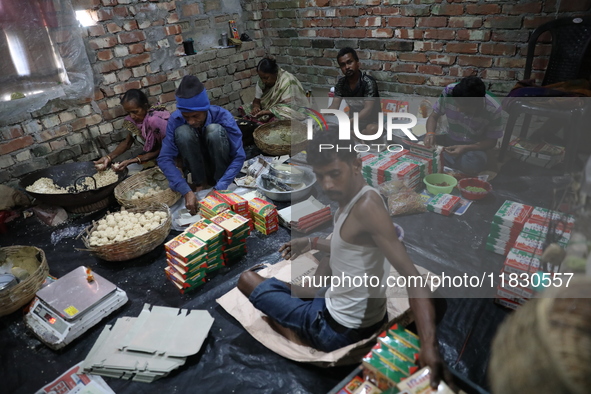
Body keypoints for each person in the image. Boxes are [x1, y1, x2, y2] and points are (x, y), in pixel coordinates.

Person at [237, 132, 450, 389]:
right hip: (341, 305)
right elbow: (345, 246)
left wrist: (429, 344)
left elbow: (413, 279)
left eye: (334, 174)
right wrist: (311, 242)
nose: (326, 185)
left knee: (247, 280)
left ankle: (300, 333)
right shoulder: (358, 196)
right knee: (313, 263)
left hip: (336, 331)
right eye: (320, 175)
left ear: (357, 164)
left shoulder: (368, 208)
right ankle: (311, 297)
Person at [158, 75, 245, 215]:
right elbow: (164, 158)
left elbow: (239, 156)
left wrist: (220, 187)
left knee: (214, 131)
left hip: (220, 167)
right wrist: (185, 190)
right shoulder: (176, 119)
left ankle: (219, 185)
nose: (191, 121)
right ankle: (200, 184)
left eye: (195, 116)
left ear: (205, 109)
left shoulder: (223, 116)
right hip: (196, 168)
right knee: (183, 132)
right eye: (186, 117)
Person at [424, 76, 503, 176]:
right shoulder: (449, 92)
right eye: (456, 105)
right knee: (417, 143)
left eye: (464, 108)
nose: (458, 110)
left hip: (473, 147)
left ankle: (441, 160)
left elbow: (491, 141)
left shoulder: (493, 108)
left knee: (472, 163)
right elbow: (433, 117)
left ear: (477, 104)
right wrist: (430, 133)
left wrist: (465, 148)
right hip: (449, 139)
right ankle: (444, 160)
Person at [94, 89, 169, 171]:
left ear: (145, 106)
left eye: (135, 112)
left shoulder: (155, 120)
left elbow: (166, 148)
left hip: (169, 156)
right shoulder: (134, 122)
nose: (132, 116)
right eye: (128, 113)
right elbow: (127, 142)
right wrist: (108, 157)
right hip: (151, 157)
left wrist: (134, 160)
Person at [328, 47, 381, 136]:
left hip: (371, 122)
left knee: (372, 130)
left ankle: (352, 134)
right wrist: (319, 116)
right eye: (343, 65)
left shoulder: (368, 82)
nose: (347, 67)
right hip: (353, 123)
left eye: (350, 62)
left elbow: (367, 109)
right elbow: (334, 106)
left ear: (357, 63)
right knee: (328, 127)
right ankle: (356, 135)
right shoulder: (341, 83)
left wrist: (348, 122)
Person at [239, 57, 308, 123]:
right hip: (268, 108)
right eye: (261, 78)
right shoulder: (261, 83)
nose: (264, 81)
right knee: (245, 109)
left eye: (266, 78)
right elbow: (256, 100)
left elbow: (291, 106)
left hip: (292, 109)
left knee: (282, 118)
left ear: (274, 73)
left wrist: (266, 112)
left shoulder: (287, 81)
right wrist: (256, 107)